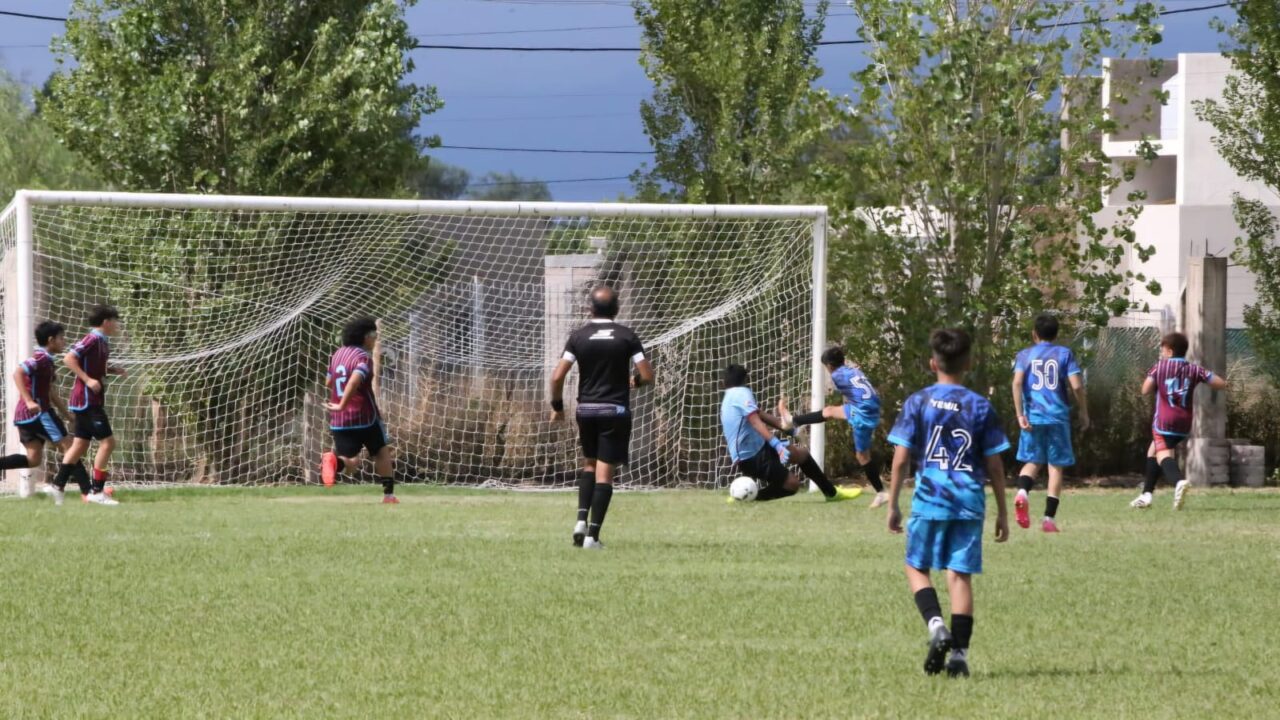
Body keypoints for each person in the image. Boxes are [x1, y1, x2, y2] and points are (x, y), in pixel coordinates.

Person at [887, 328, 1010, 678]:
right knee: (959, 575)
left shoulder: (918, 402)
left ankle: (936, 625)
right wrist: (1002, 512)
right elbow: (995, 465)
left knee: (916, 566)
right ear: (968, 363)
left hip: (930, 499)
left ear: (932, 363)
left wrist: (893, 503)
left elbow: (900, 458)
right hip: (969, 500)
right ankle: (959, 656)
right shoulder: (980, 406)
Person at [549, 287, 654, 550]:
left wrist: (557, 406)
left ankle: (580, 521)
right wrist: (635, 381)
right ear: (617, 309)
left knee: (589, 464)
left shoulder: (578, 336)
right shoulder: (627, 336)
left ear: (590, 309)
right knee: (604, 475)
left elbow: (557, 376)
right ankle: (592, 538)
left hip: (586, 410)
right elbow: (647, 375)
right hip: (613, 411)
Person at [722, 363, 861, 503]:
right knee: (792, 485)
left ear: (725, 382)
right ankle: (749, 499)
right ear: (745, 380)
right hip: (751, 457)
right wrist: (776, 444)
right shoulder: (742, 393)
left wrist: (789, 428)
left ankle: (832, 493)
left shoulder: (730, 397)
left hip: (757, 449)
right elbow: (755, 422)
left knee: (801, 455)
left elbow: (760, 415)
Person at [1130, 331, 1228, 510]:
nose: (1161, 353)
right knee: (1152, 451)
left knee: (1162, 455)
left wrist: (1157, 384)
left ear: (1169, 351)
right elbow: (1220, 383)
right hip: (1184, 423)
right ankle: (1146, 495)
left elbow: (1145, 389)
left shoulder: (1160, 367)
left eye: (1162, 350)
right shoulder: (1194, 369)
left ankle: (1178, 482)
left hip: (1164, 421)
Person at [777, 345, 885, 507]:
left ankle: (881, 493)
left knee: (862, 456)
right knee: (828, 411)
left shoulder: (837, 376)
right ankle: (793, 421)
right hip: (870, 407)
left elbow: (848, 391)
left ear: (829, 365)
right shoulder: (853, 371)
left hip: (863, 414)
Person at [1010, 314, 1089, 532]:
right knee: (1055, 467)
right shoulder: (1064, 354)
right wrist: (1083, 411)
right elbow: (1076, 386)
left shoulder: (1024, 355)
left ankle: (1022, 492)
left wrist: (1019, 414)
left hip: (1032, 416)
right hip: (1057, 417)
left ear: (1034, 334)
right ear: (1056, 334)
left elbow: (1017, 383)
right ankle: (1048, 519)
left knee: (1033, 461)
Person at [0, 321, 85, 505]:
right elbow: (17, 373)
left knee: (33, 459)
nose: (64, 341)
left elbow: (50, 392)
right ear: (50, 340)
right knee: (70, 447)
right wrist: (29, 400)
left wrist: (66, 414)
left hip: (23, 416)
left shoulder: (48, 362)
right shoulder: (40, 359)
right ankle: (88, 491)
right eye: (61, 338)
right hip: (38, 413)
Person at [322, 317, 398, 504]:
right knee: (381, 452)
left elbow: (329, 382)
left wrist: (339, 403)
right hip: (365, 416)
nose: (375, 340)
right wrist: (344, 403)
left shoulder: (337, 354)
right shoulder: (363, 357)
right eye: (375, 336)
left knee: (351, 462)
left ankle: (335, 462)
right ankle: (388, 495)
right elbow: (355, 381)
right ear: (366, 337)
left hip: (340, 420)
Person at [62, 305, 125, 505]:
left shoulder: (103, 342)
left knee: (79, 445)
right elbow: (69, 358)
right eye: (115, 321)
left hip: (88, 400)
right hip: (86, 400)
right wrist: (88, 380)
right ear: (106, 322)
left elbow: (94, 365)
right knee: (108, 443)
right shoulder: (92, 339)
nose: (117, 325)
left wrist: (112, 370)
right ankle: (97, 492)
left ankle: (57, 486)